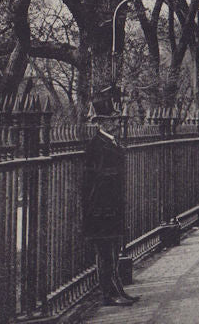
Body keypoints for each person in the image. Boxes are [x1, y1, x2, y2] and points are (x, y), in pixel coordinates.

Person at [84, 94, 138, 307]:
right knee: (105, 252)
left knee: (113, 251)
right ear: (103, 122)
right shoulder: (96, 145)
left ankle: (117, 290)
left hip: (112, 205)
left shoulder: (111, 142)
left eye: (115, 119)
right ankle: (108, 294)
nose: (116, 123)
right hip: (101, 208)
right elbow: (92, 178)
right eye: (112, 120)